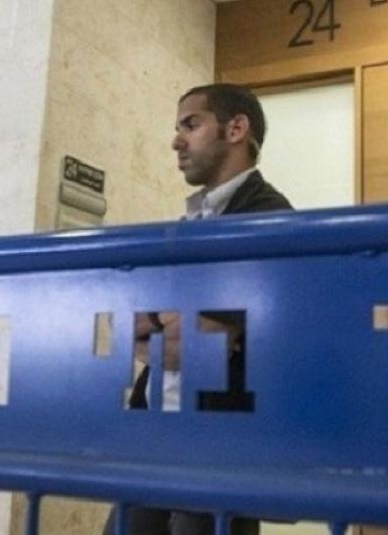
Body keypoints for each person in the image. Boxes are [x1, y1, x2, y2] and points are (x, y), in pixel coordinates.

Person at [105, 83, 292, 535]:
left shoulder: (267, 216)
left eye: (191, 125)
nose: (176, 141)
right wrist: (163, 323)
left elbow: (195, 344)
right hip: (155, 434)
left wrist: (162, 324)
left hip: (219, 445)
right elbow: (126, 329)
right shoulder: (190, 222)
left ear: (236, 129)